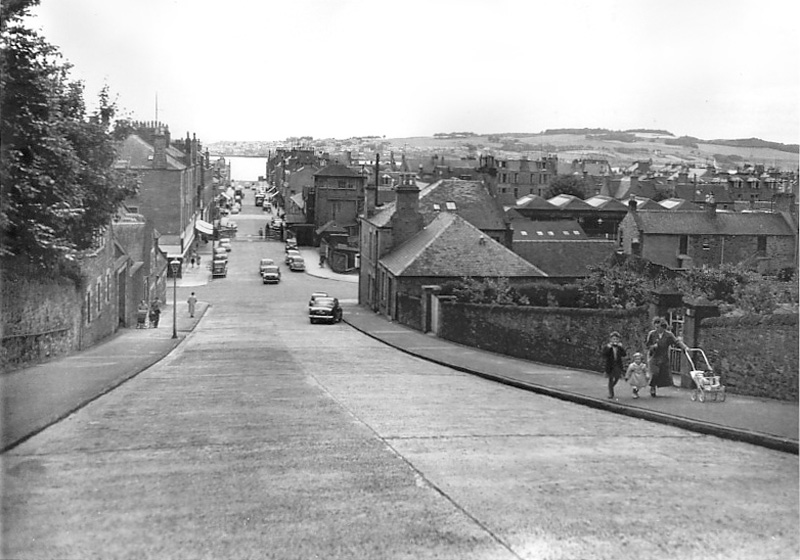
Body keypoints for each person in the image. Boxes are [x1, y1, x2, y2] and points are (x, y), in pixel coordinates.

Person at [646, 317, 688, 397]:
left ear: (663, 327)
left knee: (662, 374)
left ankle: (655, 385)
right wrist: (653, 347)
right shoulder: (652, 334)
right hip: (653, 357)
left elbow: (677, 342)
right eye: (655, 327)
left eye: (658, 327)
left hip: (663, 357)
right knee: (655, 373)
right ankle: (652, 387)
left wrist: (684, 347)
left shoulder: (668, 335)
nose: (656, 329)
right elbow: (647, 345)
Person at [601, 331, 627, 399]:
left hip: (617, 365)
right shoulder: (608, 347)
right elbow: (604, 355)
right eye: (613, 339)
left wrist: (621, 347)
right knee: (610, 378)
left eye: (616, 339)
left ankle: (611, 387)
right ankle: (611, 393)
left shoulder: (619, 347)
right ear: (611, 339)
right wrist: (608, 348)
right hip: (610, 365)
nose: (615, 340)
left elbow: (624, 354)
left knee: (617, 377)